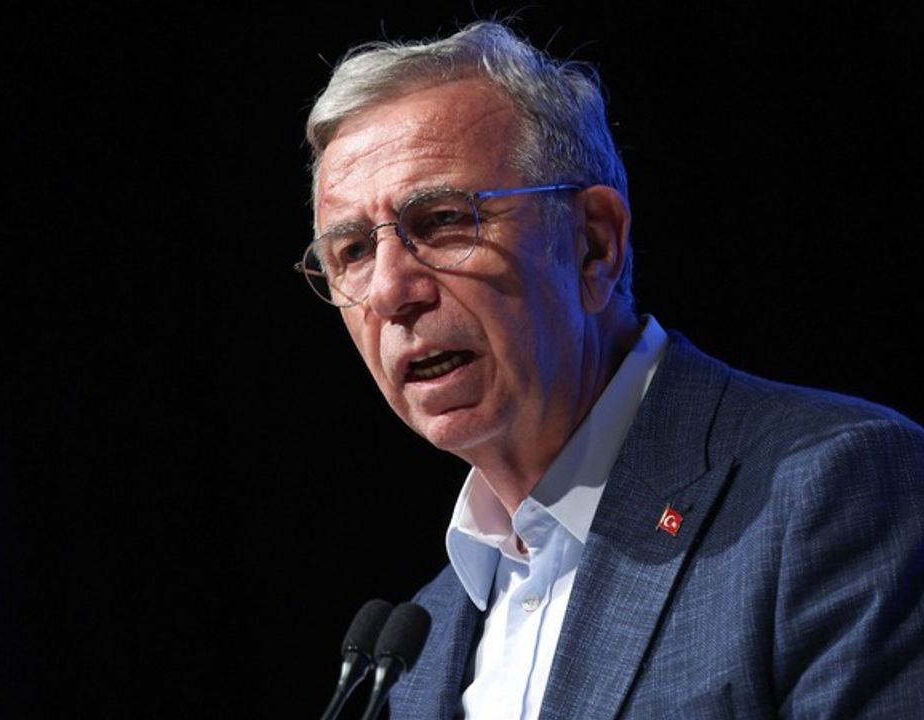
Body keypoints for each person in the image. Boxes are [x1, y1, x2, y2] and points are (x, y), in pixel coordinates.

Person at [295, 20, 924, 719]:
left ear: (595, 245)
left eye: (442, 219)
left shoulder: (831, 490)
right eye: (352, 252)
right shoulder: (419, 645)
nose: (390, 291)